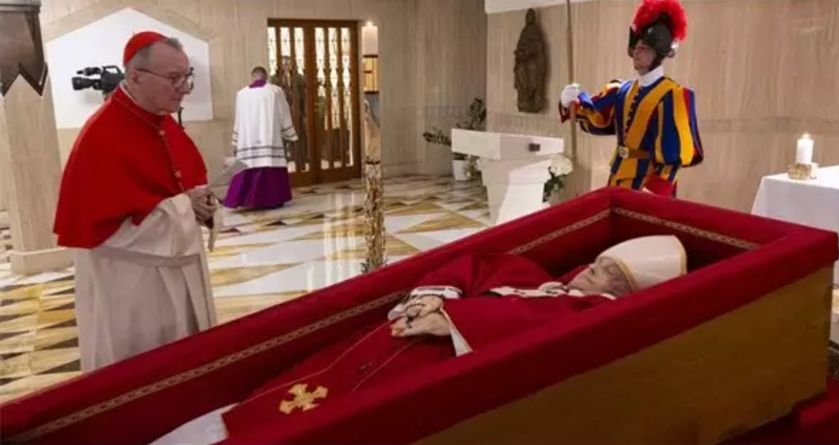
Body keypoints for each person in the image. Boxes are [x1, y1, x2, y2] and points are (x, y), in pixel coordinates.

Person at [152, 235, 687, 444]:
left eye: (604, 273)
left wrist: (458, 322)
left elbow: (552, 336)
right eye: (593, 263)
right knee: (298, 383)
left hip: (432, 367)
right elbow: (477, 265)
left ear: (625, 293)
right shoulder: (545, 279)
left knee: (328, 417)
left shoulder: (593, 314)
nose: (586, 273)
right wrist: (432, 297)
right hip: (394, 337)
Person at [53, 32, 219, 371]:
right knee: (143, 368)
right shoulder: (101, 136)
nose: (184, 87)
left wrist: (203, 205)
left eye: (187, 76)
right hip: (132, 281)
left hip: (178, 264)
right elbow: (106, 234)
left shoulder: (162, 122)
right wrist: (184, 207)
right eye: (174, 78)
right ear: (135, 77)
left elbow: (186, 185)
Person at [559, 0, 703, 197]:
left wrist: (654, 190)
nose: (637, 51)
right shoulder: (622, 90)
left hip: (647, 187)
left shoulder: (673, 95)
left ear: (658, 53)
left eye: (644, 48)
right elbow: (598, 120)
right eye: (636, 47)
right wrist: (571, 102)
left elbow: (674, 156)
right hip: (617, 178)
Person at [223, 66, 298, 209]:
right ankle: (271, 199)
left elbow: (238, 118)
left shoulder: (242, 94)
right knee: (268, 162)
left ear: (252, 77)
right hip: (268, 136)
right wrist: (289, 134)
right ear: (266, 77)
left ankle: (245, 199)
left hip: (248, 139)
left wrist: (236, 140)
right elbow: (283, 113)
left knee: (247, 166)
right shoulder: (275, 91)